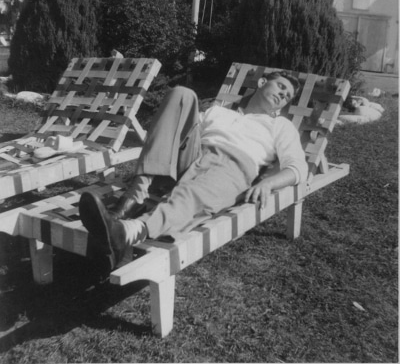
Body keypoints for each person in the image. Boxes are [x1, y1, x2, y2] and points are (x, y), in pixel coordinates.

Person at [79, 71, 308, 270]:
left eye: (287, 96)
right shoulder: (219, 112)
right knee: (182, 94)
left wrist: (267, 183)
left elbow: (298, 168)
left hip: (232, 167)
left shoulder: (281, 126)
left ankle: (126, 232)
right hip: (193, 155)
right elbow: (174, 129)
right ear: (261, 82)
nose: (283, 96)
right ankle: (135, 196)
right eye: (281, 86)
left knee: (191, 195)